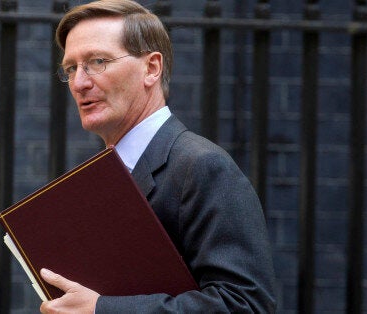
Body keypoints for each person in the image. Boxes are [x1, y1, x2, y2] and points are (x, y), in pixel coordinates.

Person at [39, 0, 276, 312]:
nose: (80, 83)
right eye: (71, 68)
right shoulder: (103, 174)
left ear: (151, 68)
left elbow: (245, 304)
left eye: (98, 61)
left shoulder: (203, 166)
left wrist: (102, 309)